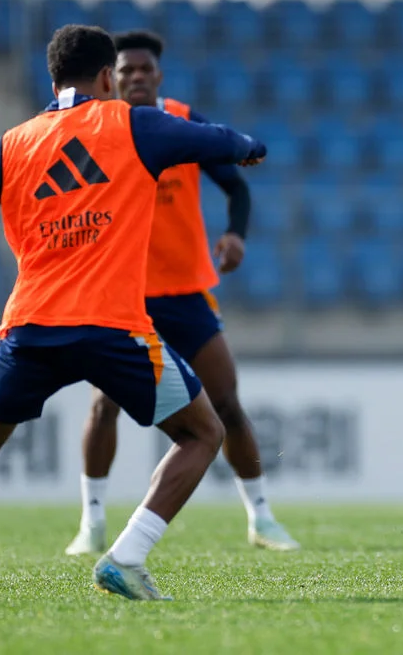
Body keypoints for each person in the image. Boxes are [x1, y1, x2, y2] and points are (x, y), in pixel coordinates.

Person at [0, 24, 266, 602]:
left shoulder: (14, 143)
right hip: (113, 327)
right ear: (105, 78)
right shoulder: (134, 123)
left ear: (52, 79)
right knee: (203, 431)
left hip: (30, 328)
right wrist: (249, 147)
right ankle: (127, 555)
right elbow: (219, 139)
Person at [64, 30, 299, 557]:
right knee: (104, 406)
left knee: (227, 402)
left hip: (187, 290)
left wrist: (236, 233)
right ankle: (92, 523)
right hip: (123, 295)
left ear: (159, 76)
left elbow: (236, 183)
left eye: (145, 70)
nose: (137, 78)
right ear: (111, 78)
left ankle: (261, 516)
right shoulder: (96, 130)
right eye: (126, 72)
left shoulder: (180, 120)